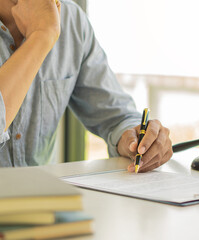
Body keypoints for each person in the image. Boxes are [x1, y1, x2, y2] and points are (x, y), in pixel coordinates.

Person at [0, 0, 173, 172]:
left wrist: (136, 138)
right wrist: (41, 36)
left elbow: (117, 116)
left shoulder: (71, 19)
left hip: (43, 194)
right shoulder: (50, 27)